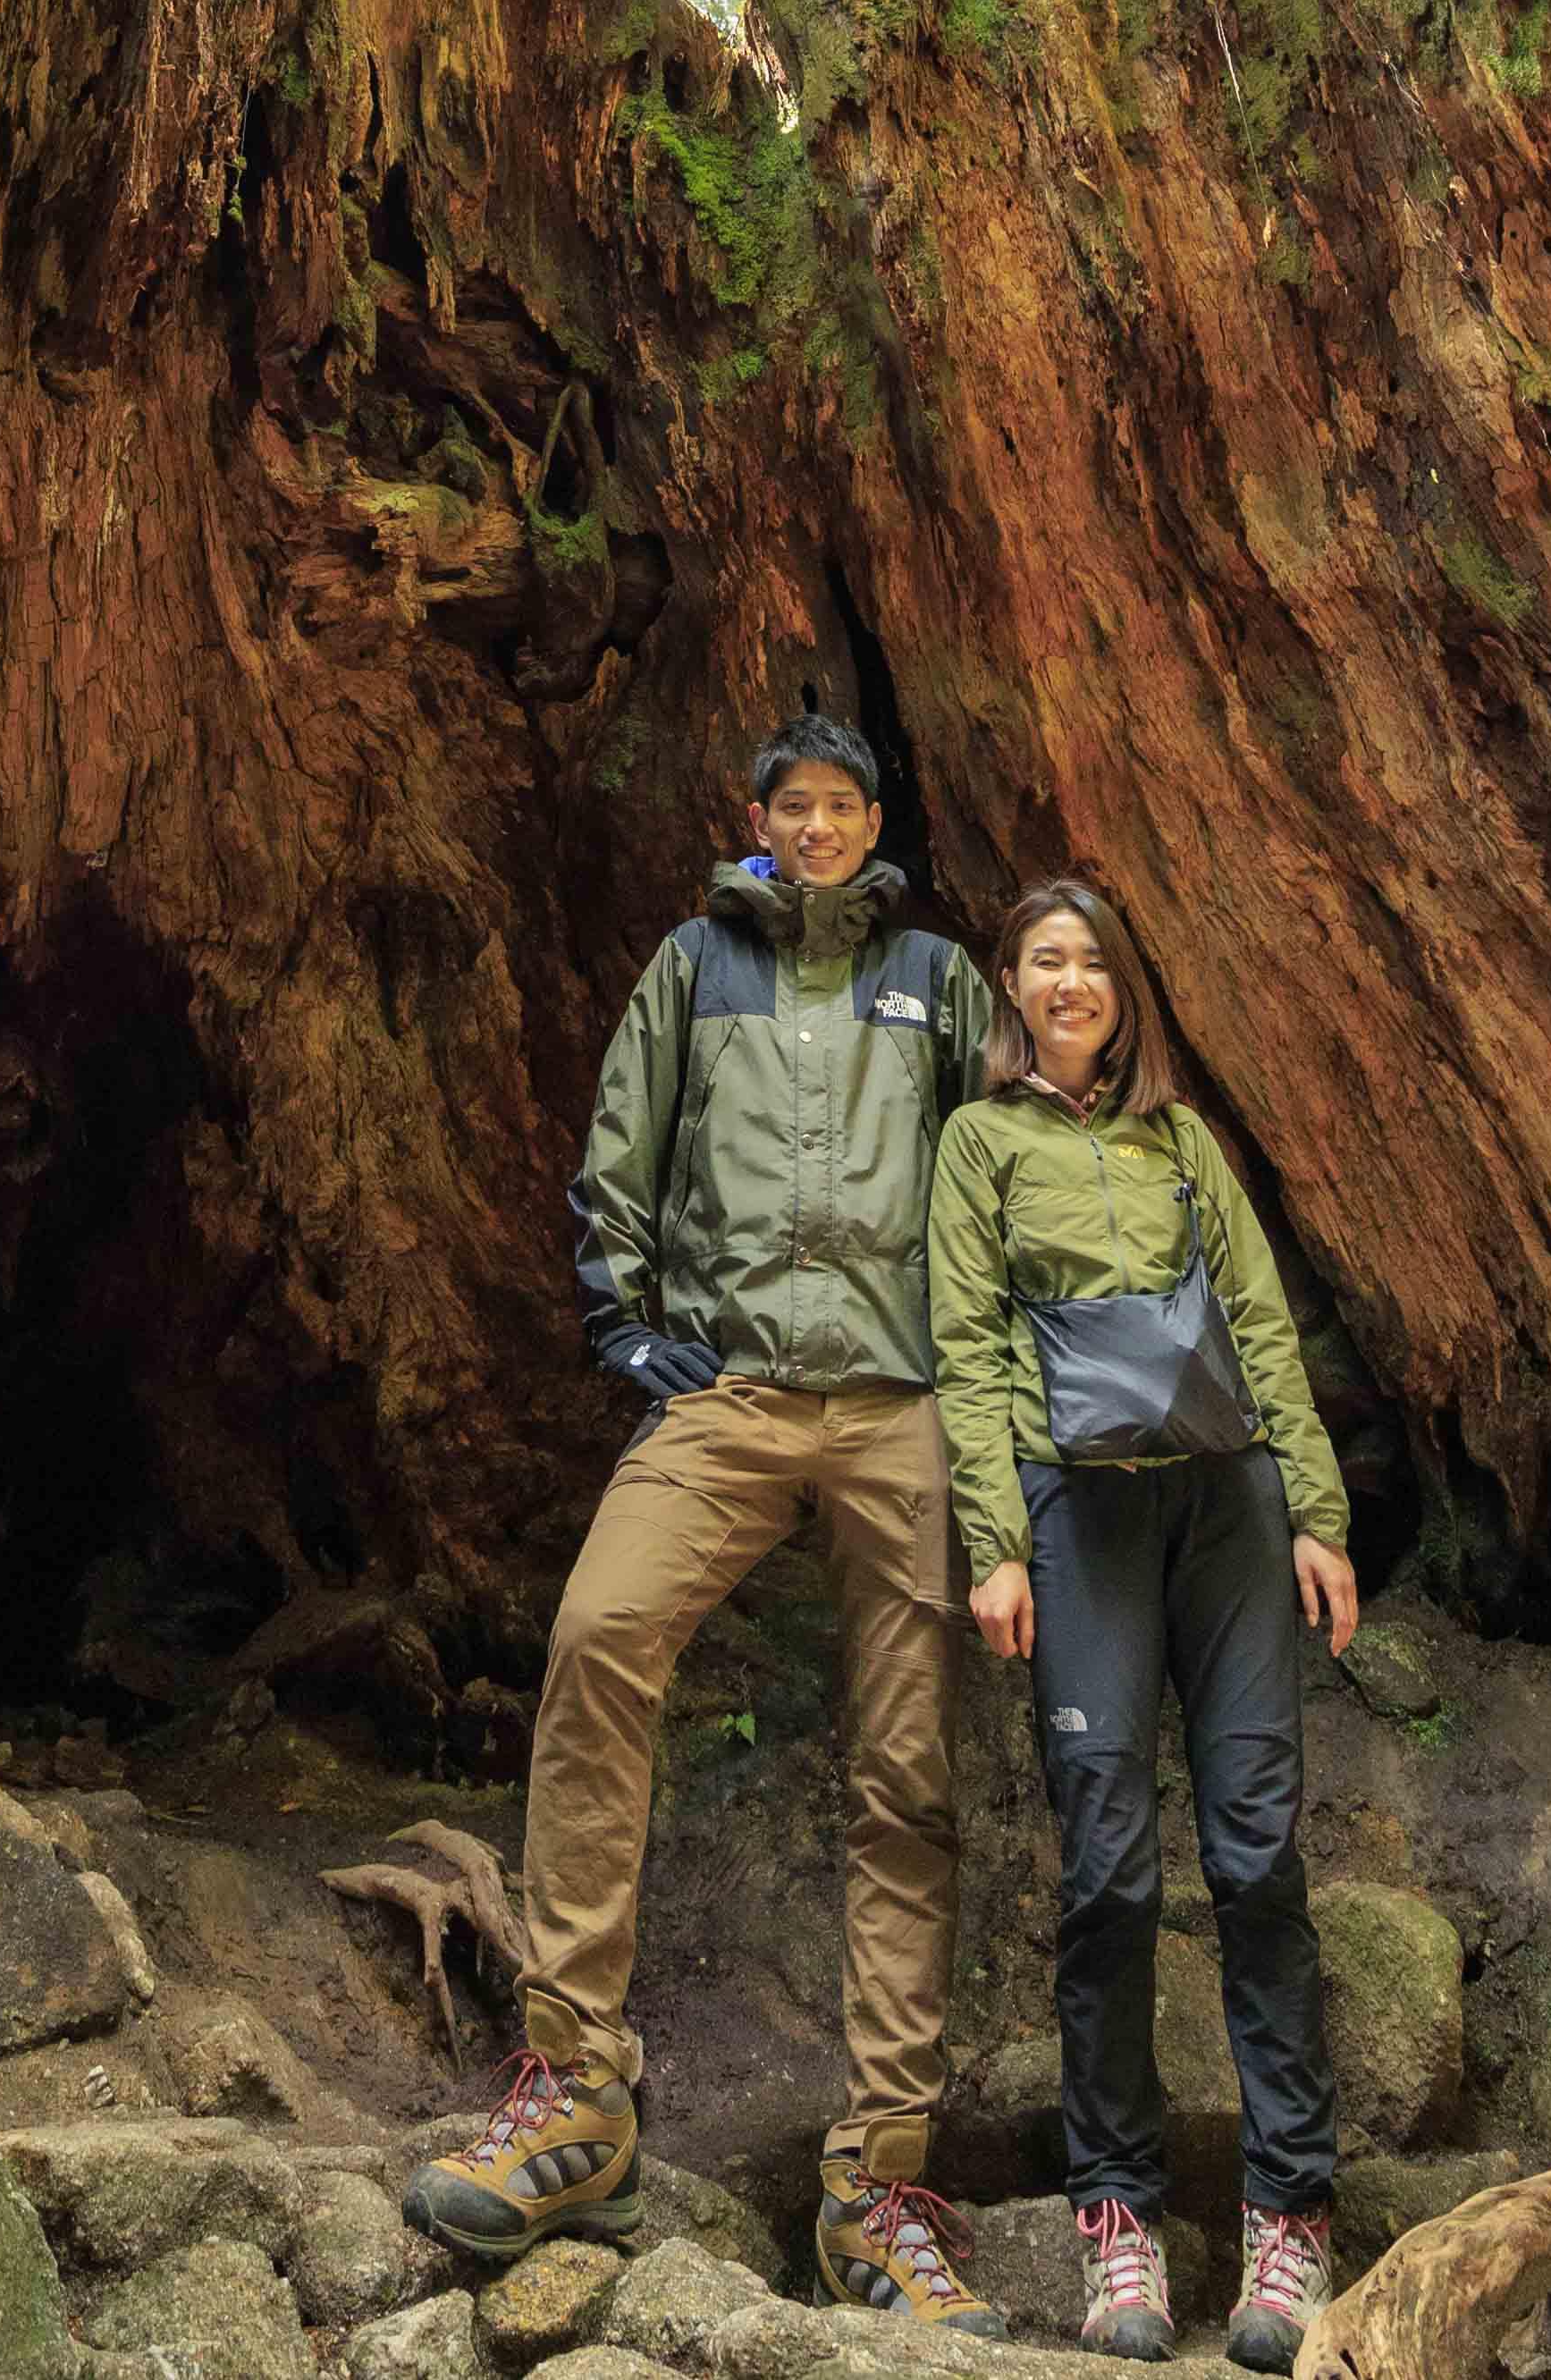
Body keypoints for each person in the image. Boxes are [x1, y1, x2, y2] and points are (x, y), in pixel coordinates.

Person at [405, 714, 1009, 2336]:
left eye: (843, 805)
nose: (817, 828)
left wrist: (987, 1378)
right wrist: (629, 1329)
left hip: (897, 1405)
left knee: (905, 1764)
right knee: (602, 1635)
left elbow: (1001, 1162)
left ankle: (879, 2185)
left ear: (874, 819)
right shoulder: (696, 963)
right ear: (759, 819)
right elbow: (624, 1142)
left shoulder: (941, 981)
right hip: (731, 1392)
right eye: (792, 806)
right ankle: (579, 2095)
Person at [926, 881, 1360, 2374]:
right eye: (1046, 961)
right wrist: (995, 1543)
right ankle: (1117, 2215)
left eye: (1093, 961)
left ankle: (1289, 2219)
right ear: (1012, 988)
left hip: (1228, 1512)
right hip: (1080, 1521)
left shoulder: (1183, 1145)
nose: (1071, 981)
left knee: (1257, 1852)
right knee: (1107, 1866)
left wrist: (1319, 1513)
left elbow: (1258, 1318)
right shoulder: (980, 1145)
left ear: (1127, 991)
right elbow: (968, 1344)